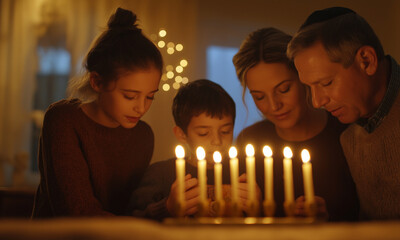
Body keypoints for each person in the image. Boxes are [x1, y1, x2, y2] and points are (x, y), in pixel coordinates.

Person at [287, 7, 400, 220]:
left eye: (326, 83)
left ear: (366, 61)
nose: (317, 101)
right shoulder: (350, 138)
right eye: (309, 87)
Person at [32, 8, 163, 217]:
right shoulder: (64, 120)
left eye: (150, 96)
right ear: (97, 81)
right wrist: (147, 217)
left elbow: (129, 208)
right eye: (130, 95)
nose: (141, 108)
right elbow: (78, 214)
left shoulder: (143, 135)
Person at [232, 27, 359, 221]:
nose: (274, 106)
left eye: (283, 89)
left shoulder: (348, 133)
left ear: (303, 79)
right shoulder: (249, 143)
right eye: (259, 97)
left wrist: (329, 219)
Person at [129, 79, 260, 221]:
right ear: (181, 134)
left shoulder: (245, 173)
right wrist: (166, 207)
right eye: (203, 133)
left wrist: (257, 208)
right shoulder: (161, 174)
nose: (217, 141)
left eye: (225, 131)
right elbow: (130, 223)